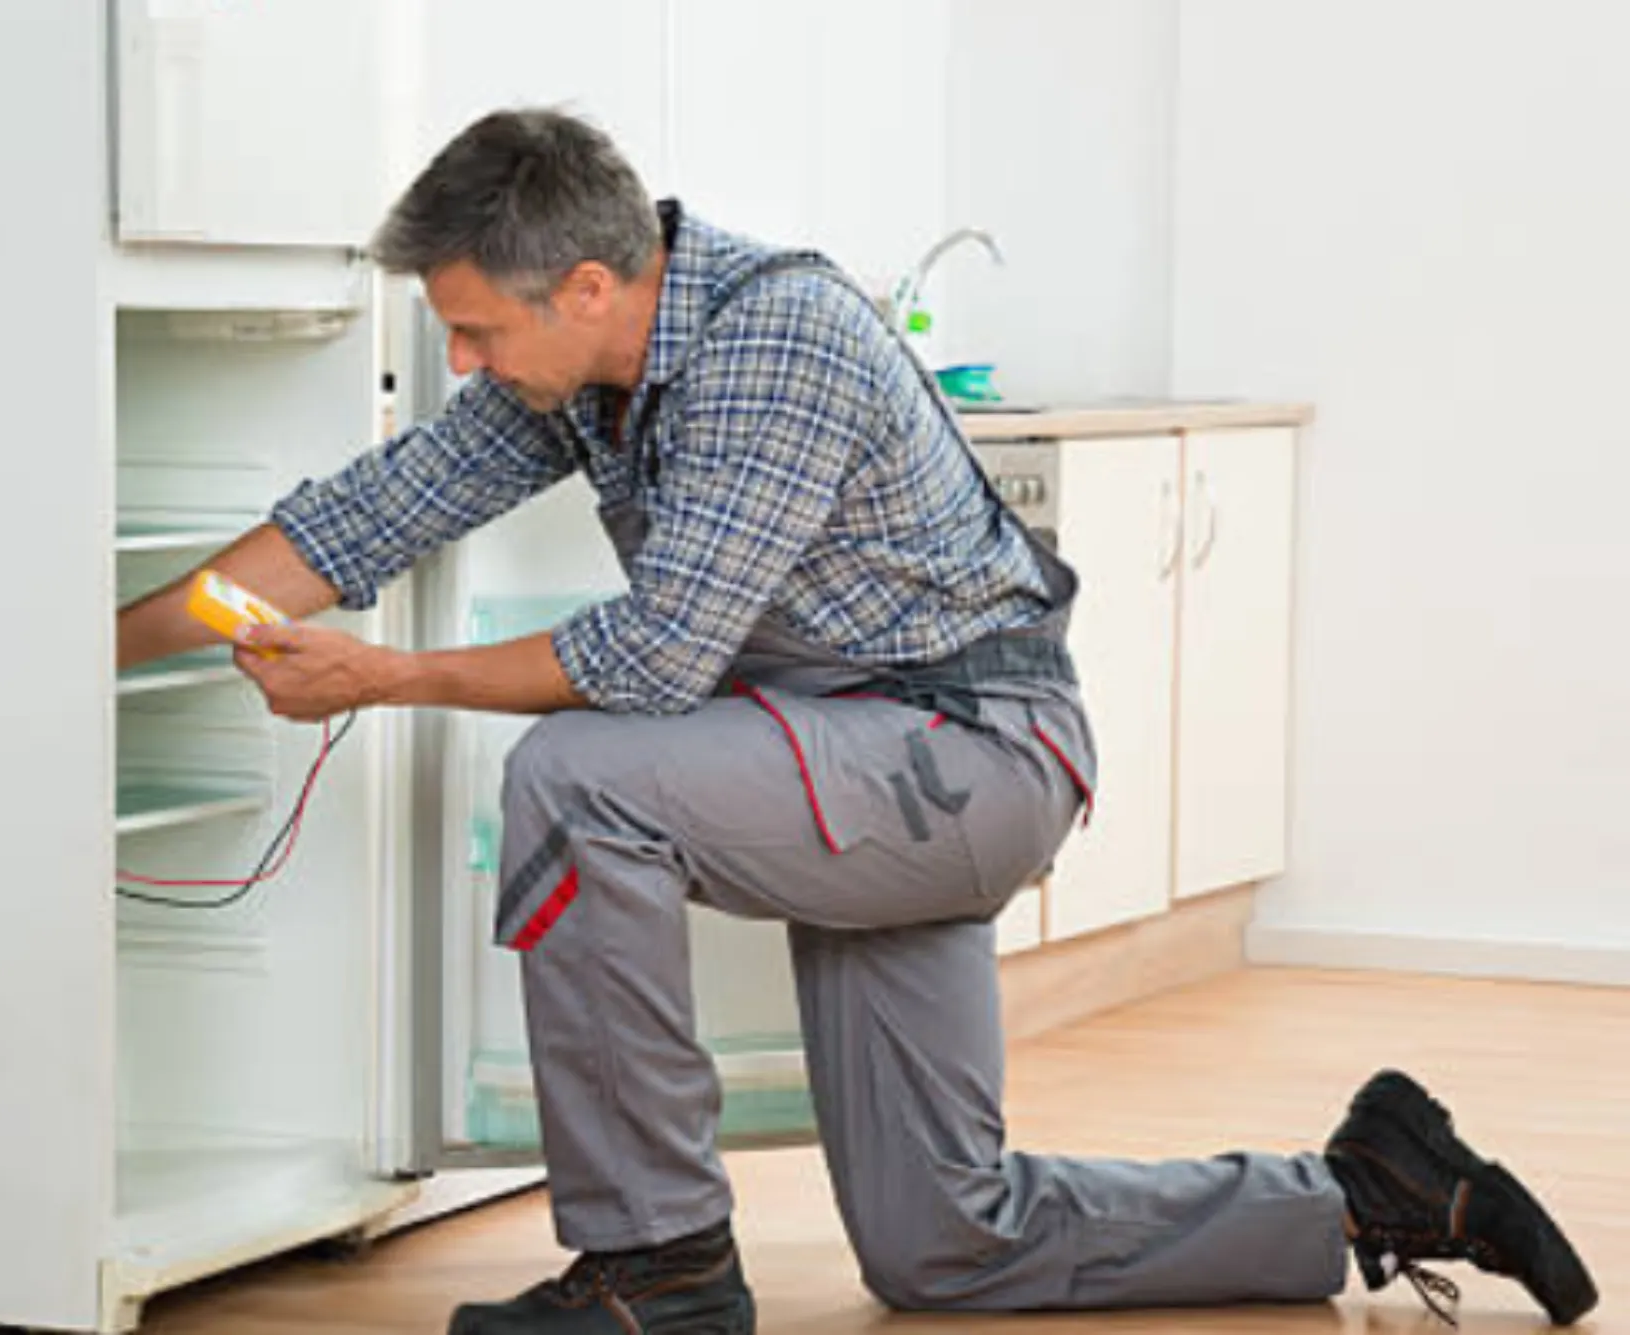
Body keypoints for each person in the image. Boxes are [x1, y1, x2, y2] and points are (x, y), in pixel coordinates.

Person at [115, 109, 1596, 1334]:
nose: (464, 360)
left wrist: (387, 679)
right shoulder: (577, 376)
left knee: (576, 777)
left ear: (582, 283)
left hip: (965, 753)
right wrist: (90, 656)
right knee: (946, 1239)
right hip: (846, 760)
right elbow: (368, 516)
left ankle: (661, 1268)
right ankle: (1369, 1191)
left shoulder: (778, 338)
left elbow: (654, 654)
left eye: (474, 329)